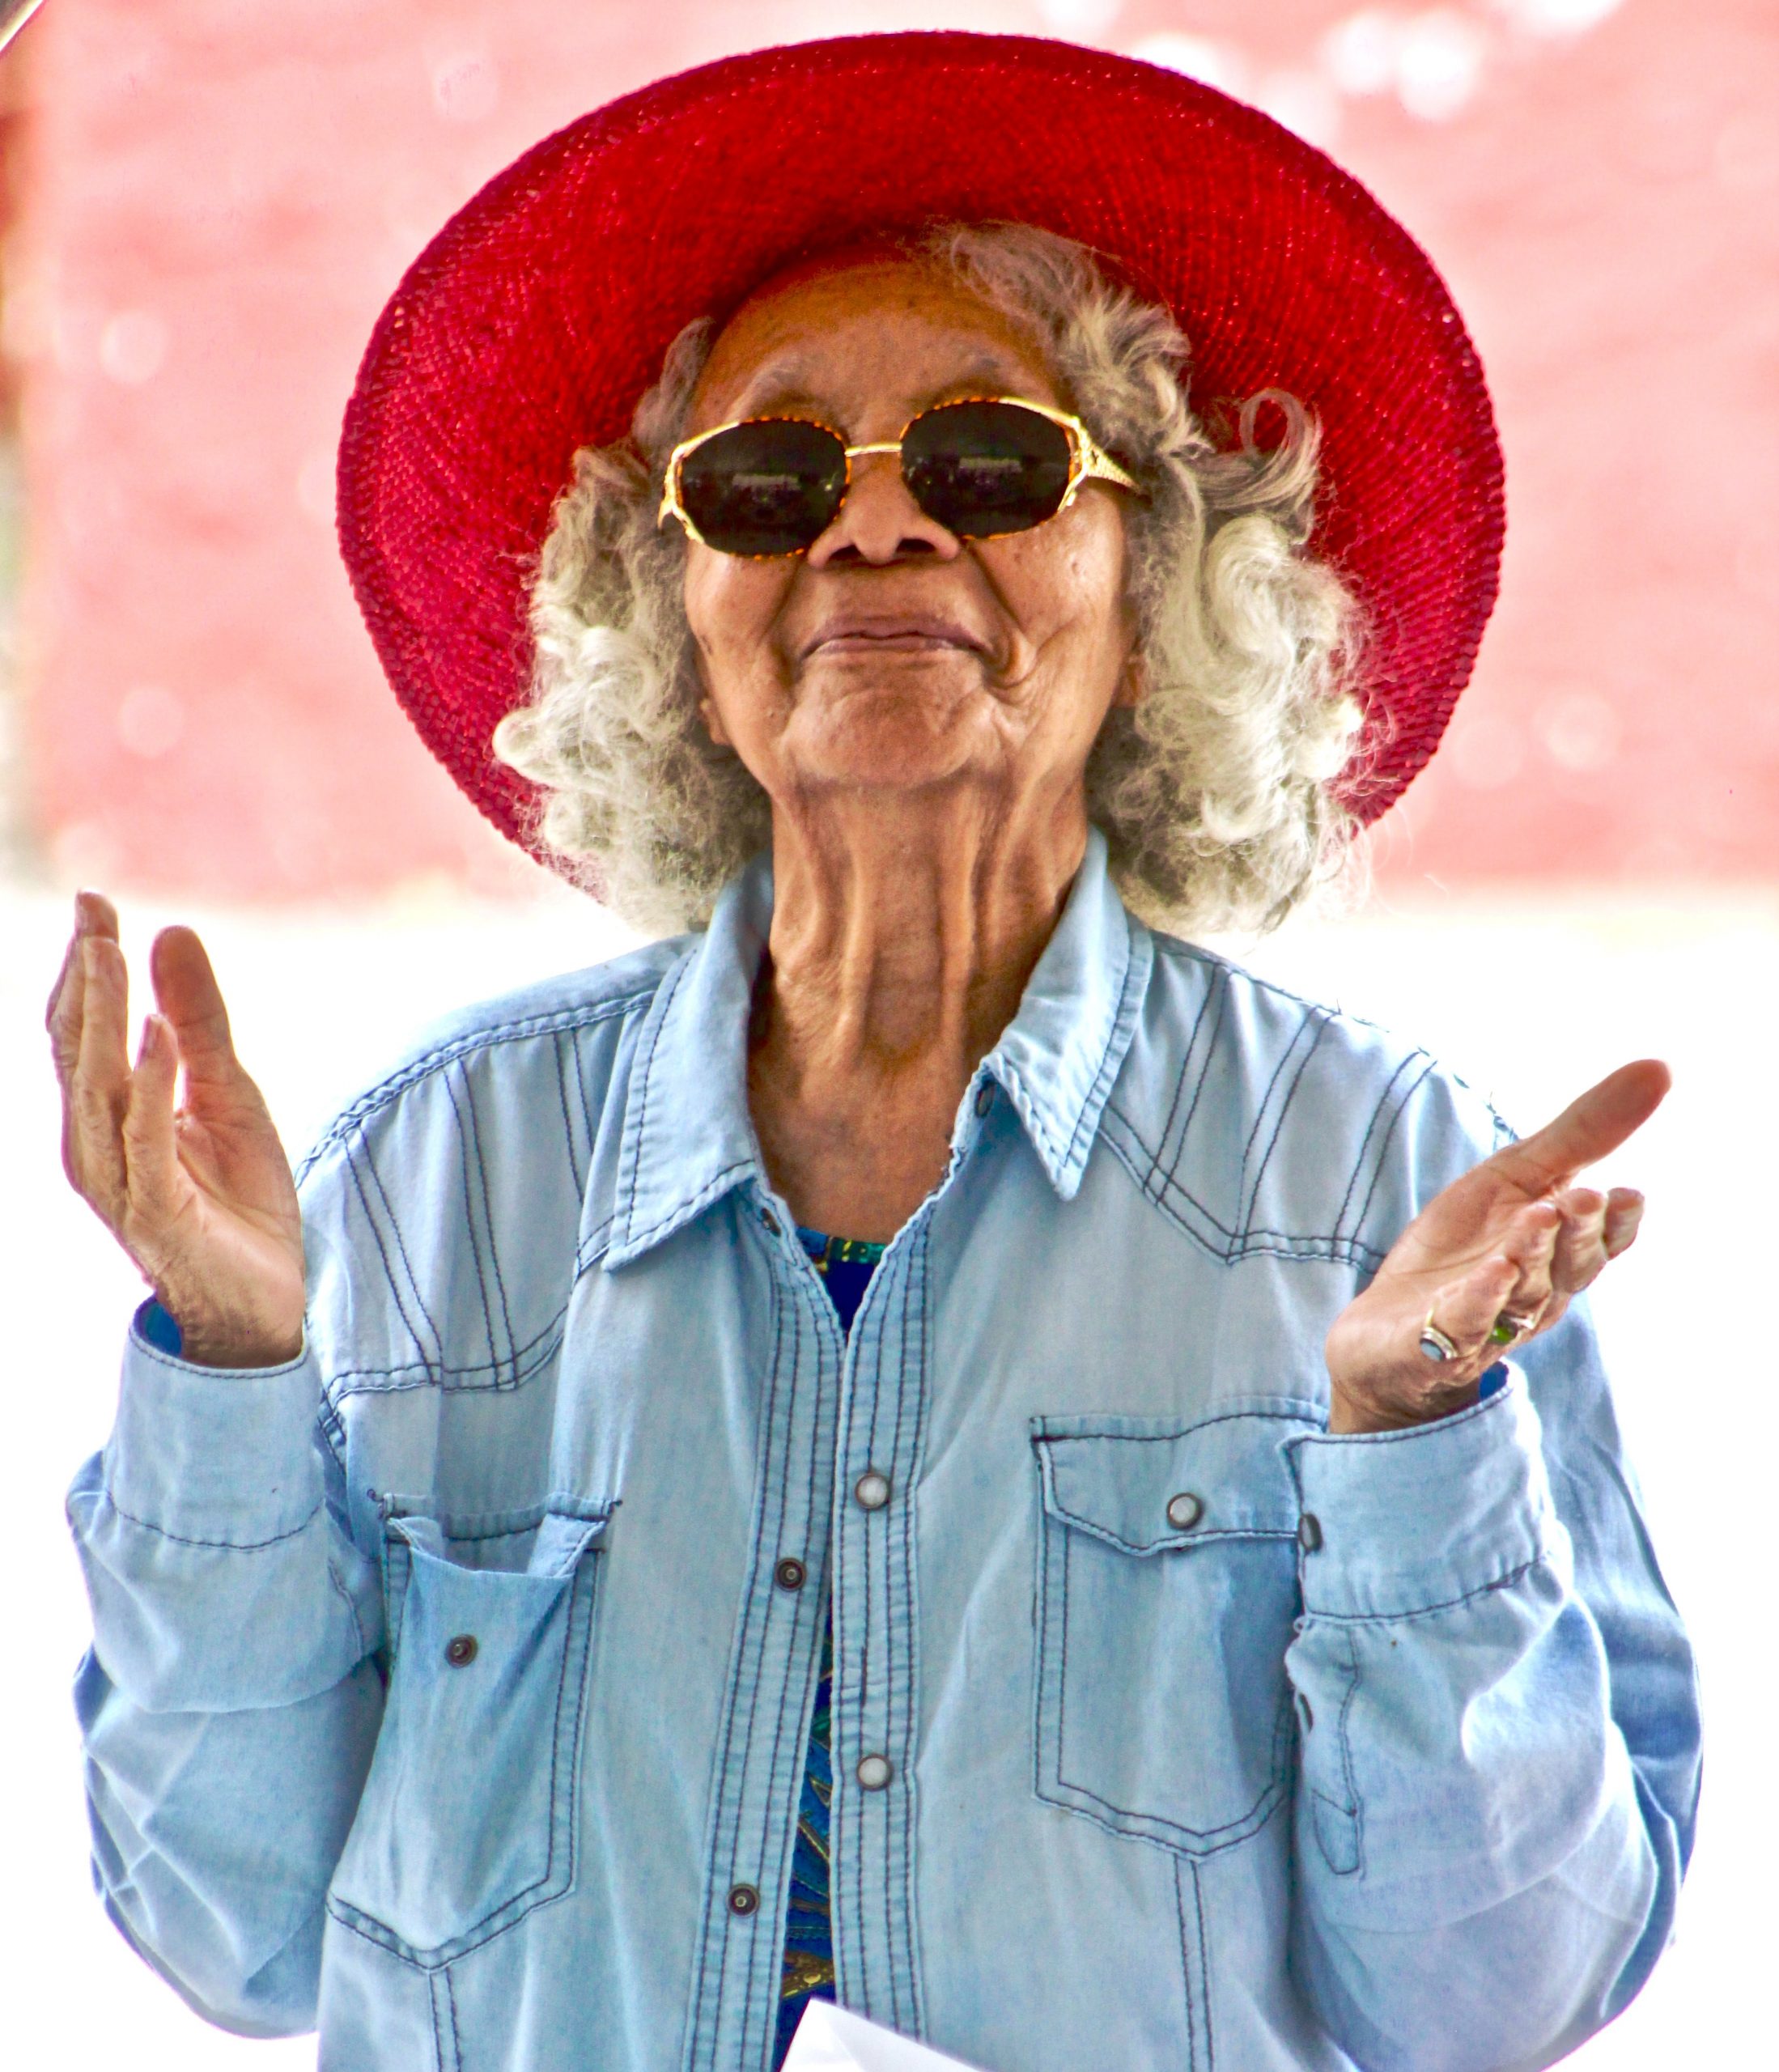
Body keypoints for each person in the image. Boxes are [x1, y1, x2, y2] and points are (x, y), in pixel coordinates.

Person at [52, 32, 1698, 2072]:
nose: (873, 531)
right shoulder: (431, 1176)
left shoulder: (1387, 1189)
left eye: (988, 463)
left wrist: (1414, 1442)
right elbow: (234, 1931)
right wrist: (227, 1378)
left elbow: (1491, 1998)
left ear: (1155, 565)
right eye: (768, 481)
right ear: (673, 600)